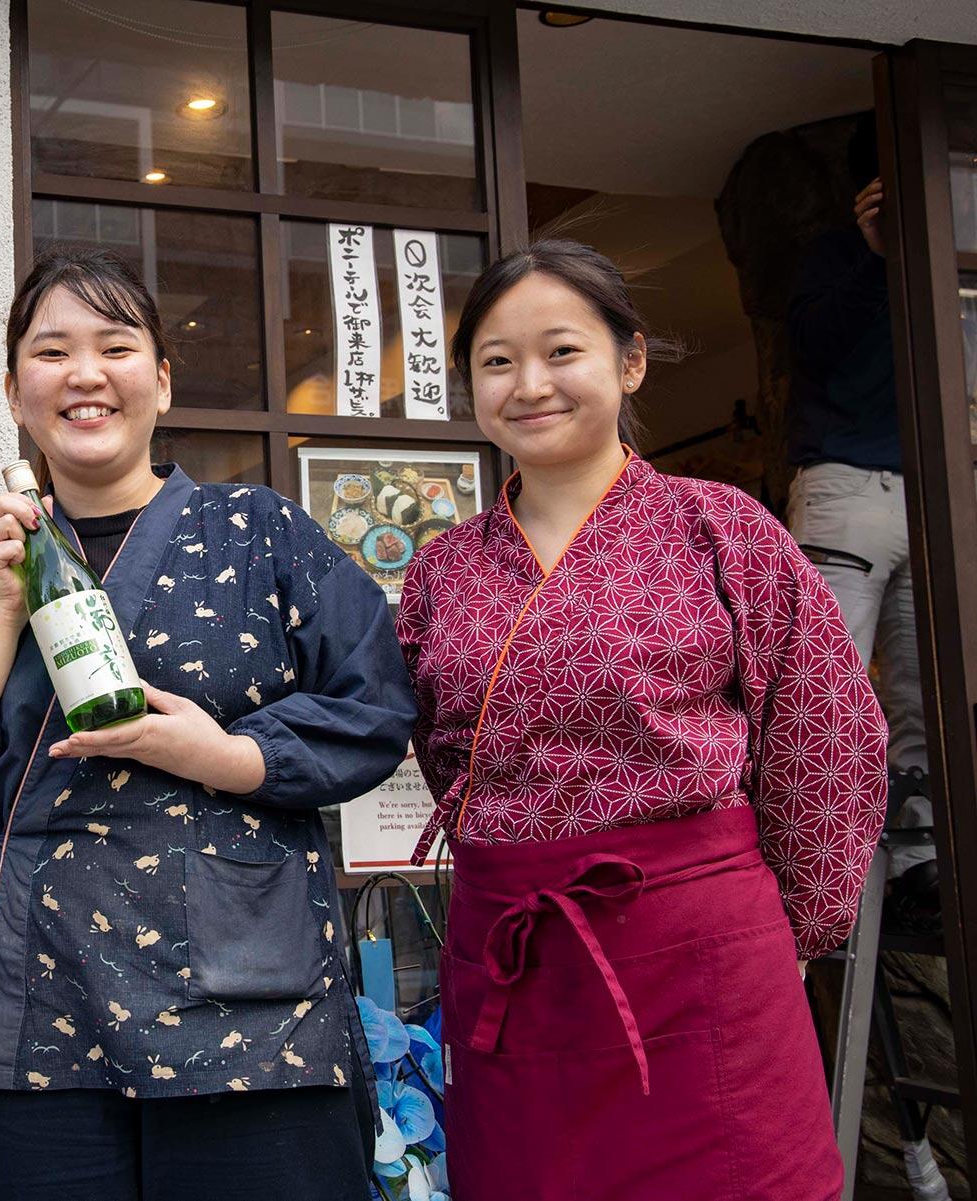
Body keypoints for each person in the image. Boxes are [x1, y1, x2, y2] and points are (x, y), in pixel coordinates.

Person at [0, 247, 416, 1201]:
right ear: (15, 387)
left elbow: (376, 706)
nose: (84, 375)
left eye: (114, 347)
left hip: (251, 1002)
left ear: (159, 378)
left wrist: (227, 755)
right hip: (40, 994)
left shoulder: (262, 531)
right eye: (51, 350)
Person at [397, 239, 886, 1200]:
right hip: (513, 960)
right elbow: (442, 751)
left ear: (630, 361)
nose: (529, 384)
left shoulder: (724, 528)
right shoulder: (440, 571)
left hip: (704, 960)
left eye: (561, 351)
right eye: (497, 362)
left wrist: (786, 933)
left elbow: (825, 735)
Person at [786, 112, 935, 924]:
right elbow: (813, 346)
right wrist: (873, 255)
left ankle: (921, 865)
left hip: (933, 489)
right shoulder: (836, 257)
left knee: (925, 693)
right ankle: (825, 865)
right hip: (845, 482)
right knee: (829, 686)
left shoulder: (947, 265)